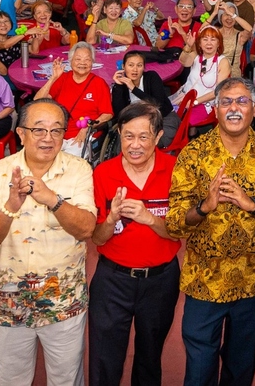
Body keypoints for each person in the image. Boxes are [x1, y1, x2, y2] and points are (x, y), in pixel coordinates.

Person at [167, 77, 255, 386]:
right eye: (226, 102)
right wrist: (204, 207)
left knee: (241, 370)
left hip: (253, 281)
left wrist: (252, 205)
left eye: (242, 101)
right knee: (199, 371)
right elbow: (174, 222)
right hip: (204, 282)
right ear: (216, 109)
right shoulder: (193, 154)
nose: (234, 108)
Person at [0, 98, 97, 385]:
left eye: (56, 130)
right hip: (8, 302)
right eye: (38, 129)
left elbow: (86, 229)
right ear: (21, 133)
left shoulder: (79, 169)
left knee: (66, 380)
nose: (48, 138)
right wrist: (10, 207)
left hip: (64, 303)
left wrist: (52, 199)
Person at [89, 102, 181, 386]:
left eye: (144, 137)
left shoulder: (175, 170)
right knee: (104, 360)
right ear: (119, 133)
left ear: (158, 136)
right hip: (112, 281)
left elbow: (178, 233)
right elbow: (97, 238)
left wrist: (148, 218)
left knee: (149, 358)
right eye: (128, 136)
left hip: (160, 281)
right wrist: (111, 219)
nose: (135, 145)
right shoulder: (103, 173)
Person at [35, 42, 114, 151]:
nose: (82, 63)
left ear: (92, 62)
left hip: (83, 136)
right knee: (39, 153)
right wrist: (53, 78)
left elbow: (107, 114)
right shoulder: (62, 78)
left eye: (87, 59)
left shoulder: (99, 84)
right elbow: (37, 102)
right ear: (70, 61)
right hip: (56, 133)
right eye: (78, 59)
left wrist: (88, 128)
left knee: (69, 159)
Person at [111, 51, 180, 148]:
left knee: (147, 144)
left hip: (163, 120)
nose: (135, 69)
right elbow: (119, 113)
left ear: (144, 67)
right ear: (123, 67)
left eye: (139, 65)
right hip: (137, 124)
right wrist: (118, 86)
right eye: (131, 65)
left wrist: (134, 89)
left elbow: (158, 105)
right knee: (125, 144)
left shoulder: (152, 77)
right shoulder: (122, 84)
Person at [172, 25, 232, 127]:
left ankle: (189, 133)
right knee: (168, 116)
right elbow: (183, 62)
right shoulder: (195, 55)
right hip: (185, 97)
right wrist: (188, 46)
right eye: (205, 39)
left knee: (180, 123)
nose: (209, 43)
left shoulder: (223, 61)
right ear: (199, 43)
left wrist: (194, 102)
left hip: (206, 103)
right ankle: (191, 133)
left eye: (213, 39)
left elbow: (218, 91)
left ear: (218, 43)